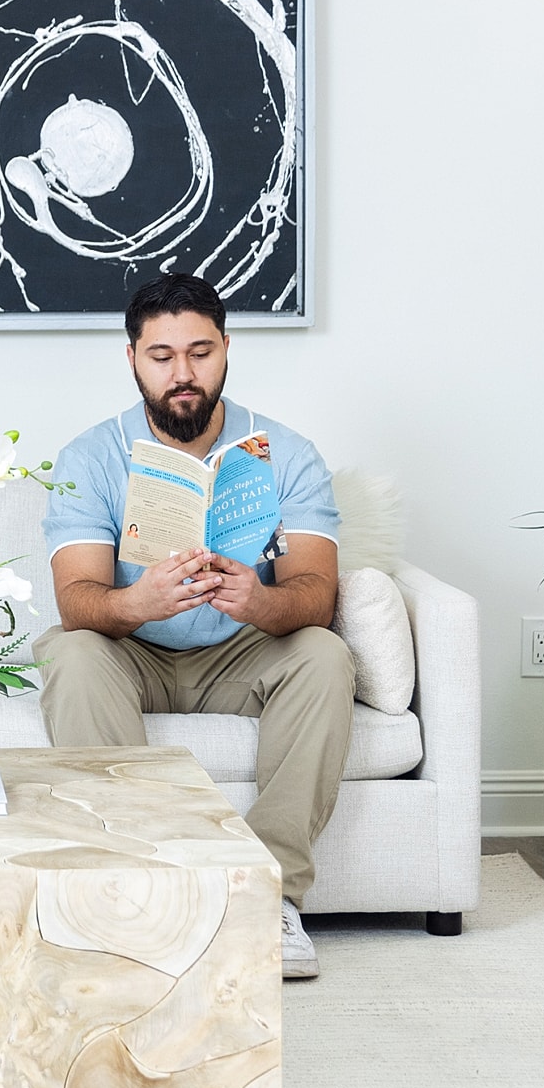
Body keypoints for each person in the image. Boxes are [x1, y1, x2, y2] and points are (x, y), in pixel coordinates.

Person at [35, 273, 354, 980]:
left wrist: (258, 602)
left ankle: (267, 897)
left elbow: (316, 594)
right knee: (73, 653)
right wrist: (134, 604)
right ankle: (139, 890)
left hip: (241, 651)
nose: (183, 374)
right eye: (162, 356)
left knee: (325, 654)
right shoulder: (91, 457)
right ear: (132, 359)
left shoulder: (287, 453)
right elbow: (77, 600)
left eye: (201, 352)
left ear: (227, 350)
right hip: (133, 654)